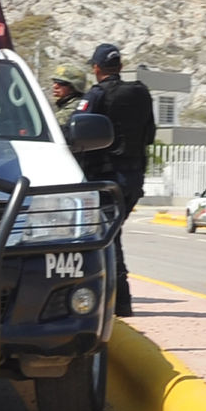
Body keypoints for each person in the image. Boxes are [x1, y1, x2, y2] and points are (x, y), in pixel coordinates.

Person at [73, 43, 156, 317]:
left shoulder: (96, 95)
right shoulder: (141, 93)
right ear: (120, 67)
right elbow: (150, 134)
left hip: (105, 179)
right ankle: (119, 302)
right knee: (113, 235)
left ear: (96, 68)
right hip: (133, 179)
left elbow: (76, 134)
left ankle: (119, 302)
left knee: (108, 238)